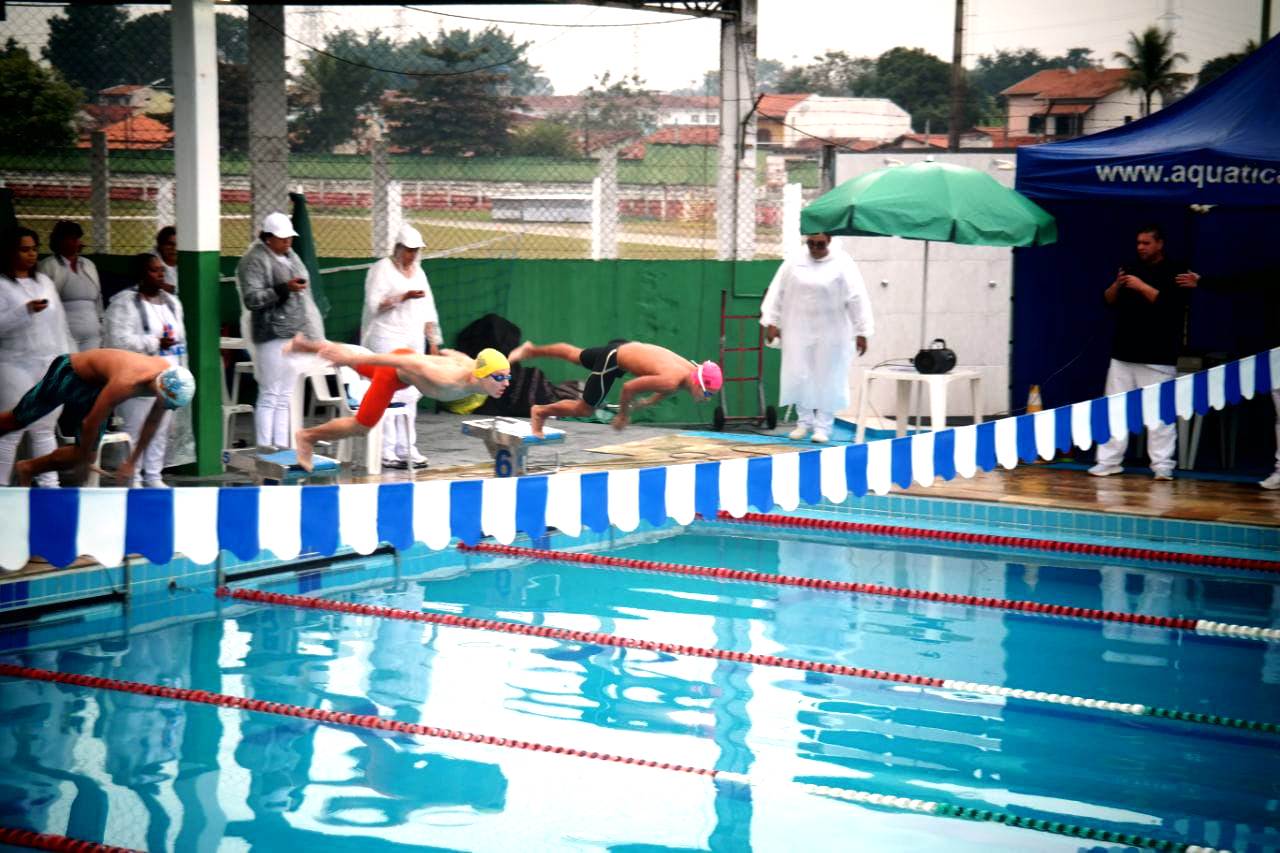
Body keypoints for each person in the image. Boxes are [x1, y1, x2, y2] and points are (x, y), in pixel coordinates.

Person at [285, 335, 511, 471]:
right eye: (499, 377)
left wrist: (447, 352)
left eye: (507, 377)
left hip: (405, 372)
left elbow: (460, 356)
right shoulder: (447, 378)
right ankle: (307, 437)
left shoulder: (474, 371)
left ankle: (304, 345)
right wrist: (352, 359)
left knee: (359, 365)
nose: (505, 383)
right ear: (482, 375)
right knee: (362, 426)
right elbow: (401, 360)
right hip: (394, 371)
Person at [0, 349, 194, 486]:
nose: (166, 408)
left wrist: (131, 463)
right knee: (16, 421)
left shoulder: (168, 377)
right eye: (167, 403)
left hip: (97, 388)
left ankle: (27, 468)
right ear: (161, 390)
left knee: (86, 454)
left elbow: (152, 423)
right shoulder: (126, 382)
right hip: (70, 374)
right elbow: (90, 421)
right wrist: (82, 460)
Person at [1089, 224, 1193, 480]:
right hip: (1124, 352)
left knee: (1160, 414)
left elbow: (1172, 307)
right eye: (1138, 243)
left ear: (1160, 244)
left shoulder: (1176, 271)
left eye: (1146, 243)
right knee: (1114, 409)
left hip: (1157, 354)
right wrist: (1117, 284)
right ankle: (1108, 460)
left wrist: (1141, 286)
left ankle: (1162, 464)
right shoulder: (1130, 267)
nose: (1141, 248)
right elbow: (1108, 300)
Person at [760, 231, 874, 443]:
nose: (814, 248)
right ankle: (803, 422)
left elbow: (857, 298)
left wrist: (862, 331)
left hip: (833, 331)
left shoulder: (843, 263)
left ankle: (823, 426)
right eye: (811, 243)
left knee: (827, 376)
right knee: (799, 373)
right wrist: (772, 321)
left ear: (829, 241)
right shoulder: (795, 261)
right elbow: (779, 291)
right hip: (798, 328)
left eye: (820, 244)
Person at [507, 339, 723, 438]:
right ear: (698, 382)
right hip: (613, 361)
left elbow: (667, 386)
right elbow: (629, 388)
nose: (705, 399)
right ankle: (540, 412)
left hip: (624, 346)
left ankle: (531, 350)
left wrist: (650, 401)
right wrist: (623, 415)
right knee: (585, 410)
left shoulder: (687, 371)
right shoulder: (672, 379)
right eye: (706, 393)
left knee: (575, 355)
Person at [236, 211, 323, 449]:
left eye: (289, 238)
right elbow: (252, 299)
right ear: (268, 237)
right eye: (282, 238)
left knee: (285, 395)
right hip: (270, 334)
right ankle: (265, 447)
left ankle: (282, 446)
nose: (288, 242)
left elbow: (302, 280)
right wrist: (284, 288)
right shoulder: (253, 260)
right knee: (270, 393)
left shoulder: (289, 255)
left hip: (292, 333)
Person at [360, 223, 442, 469]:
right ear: (397, 248)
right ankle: (386, 449)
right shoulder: (381, 270)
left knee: (411, 392)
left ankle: (407, 447)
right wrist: (403, 297)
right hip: (386, 337)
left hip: (413, 337)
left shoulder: (419, 272)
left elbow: (429, 309)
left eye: (416, 251)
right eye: (408, 250)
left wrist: (433, 342)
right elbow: (375, 304)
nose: (412, 255)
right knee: (388, 391)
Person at [104, 253, 188, 487]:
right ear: (141, 274)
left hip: (168, 374)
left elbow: (181, 339)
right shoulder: (124, 303)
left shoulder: (172, 302)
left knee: (161, 428)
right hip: (138, 376)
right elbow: (118, 340)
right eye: (153, 270)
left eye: (162, 270)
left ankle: (153, 475)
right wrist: (153, 343)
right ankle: (134, 476)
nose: (160, 274)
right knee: (136, 427)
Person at [0, 226, 74, 487]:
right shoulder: (2, 285)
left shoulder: (44, 282)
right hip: (14, 364)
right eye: (24, 249)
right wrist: (25, 311)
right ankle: (3, 489)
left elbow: (61, 324)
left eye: (34, 249)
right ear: (10, 252)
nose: (31, 255)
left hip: (48, 364)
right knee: (12, 429)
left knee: (44, 428)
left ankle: (49, 487)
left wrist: (70, 361)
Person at [37, 220, 102, 351]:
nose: (79, 243)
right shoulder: (48, 266)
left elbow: (98, 299)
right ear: (60, 241)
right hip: (63, 335)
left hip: (93, 335)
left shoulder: (89, 265)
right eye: (73, 239)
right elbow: (43, 304)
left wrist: (102, 324)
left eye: (78, 239)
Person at [153, 226, 178, 294]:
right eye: (170, 244)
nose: (174, 248)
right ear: (160, 245)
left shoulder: (186, 259)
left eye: (178, 244)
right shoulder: (151, 259)